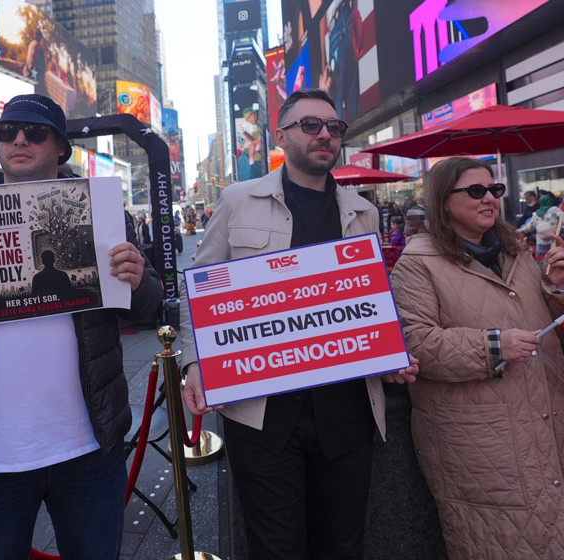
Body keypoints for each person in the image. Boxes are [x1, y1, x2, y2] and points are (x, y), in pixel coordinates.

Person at [180, 89, 418, 560]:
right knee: (276, 549)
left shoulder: (363, 211)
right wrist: (194, 364)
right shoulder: (236, 200)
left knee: (343, 545)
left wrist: (391, 351)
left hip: (348, 411)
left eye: (334, 127)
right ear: (281, 135)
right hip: (262, 414)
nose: (325, 134)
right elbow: (199, 292)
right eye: (310, 125)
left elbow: (368, 302)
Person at [0, 94, 163, 559]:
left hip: (87, 449)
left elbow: (149, 308)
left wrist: (138, 279)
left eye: (35, 132)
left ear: (60, 147)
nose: (19, 139)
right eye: (7, 132)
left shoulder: (101, 211)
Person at [390, 157, 564, 560]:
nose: (489, 199)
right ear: (444, 201)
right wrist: (492, 346)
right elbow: (417, 343)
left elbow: (563, 331)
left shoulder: (516, 252)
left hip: (553, 426)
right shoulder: (417, 264)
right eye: (475, 191)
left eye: (494, 190)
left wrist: (560, 288)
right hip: (485, 444)